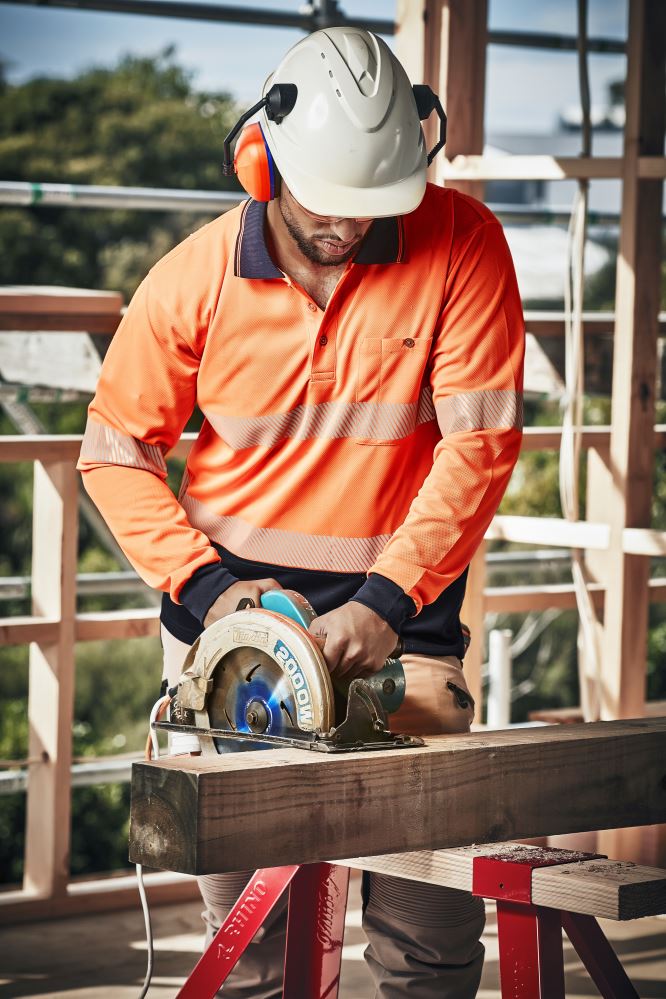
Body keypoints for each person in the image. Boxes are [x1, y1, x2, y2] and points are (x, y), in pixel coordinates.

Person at [78, 25, 524, 999]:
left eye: (376, 206)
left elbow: (481, 443)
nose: (349, 228)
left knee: (429, 933)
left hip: (404, 626)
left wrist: (387, 600)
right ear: (262, 162)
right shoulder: (194, 277)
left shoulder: (463, 244)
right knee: (249, 948)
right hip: (232, 639)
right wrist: (215, 591)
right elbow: (113, 454)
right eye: (330, 206)